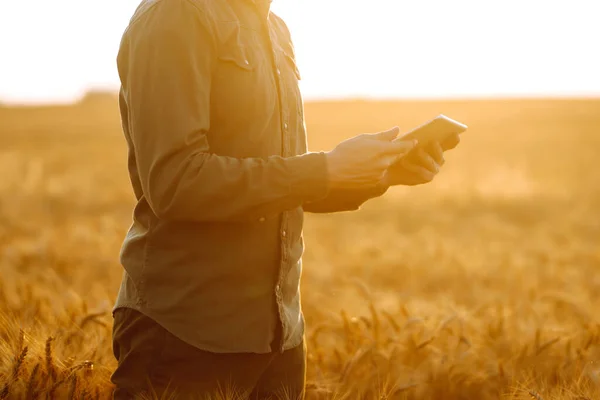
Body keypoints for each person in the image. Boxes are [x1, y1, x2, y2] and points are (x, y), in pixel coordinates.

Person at [110, 0, 460, 399]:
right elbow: (176, 182)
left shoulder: (275, 29)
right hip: (185, 334)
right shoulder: (175, 15)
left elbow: (282, 184)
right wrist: (324, 169)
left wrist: (381, 173)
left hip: (281, 339)